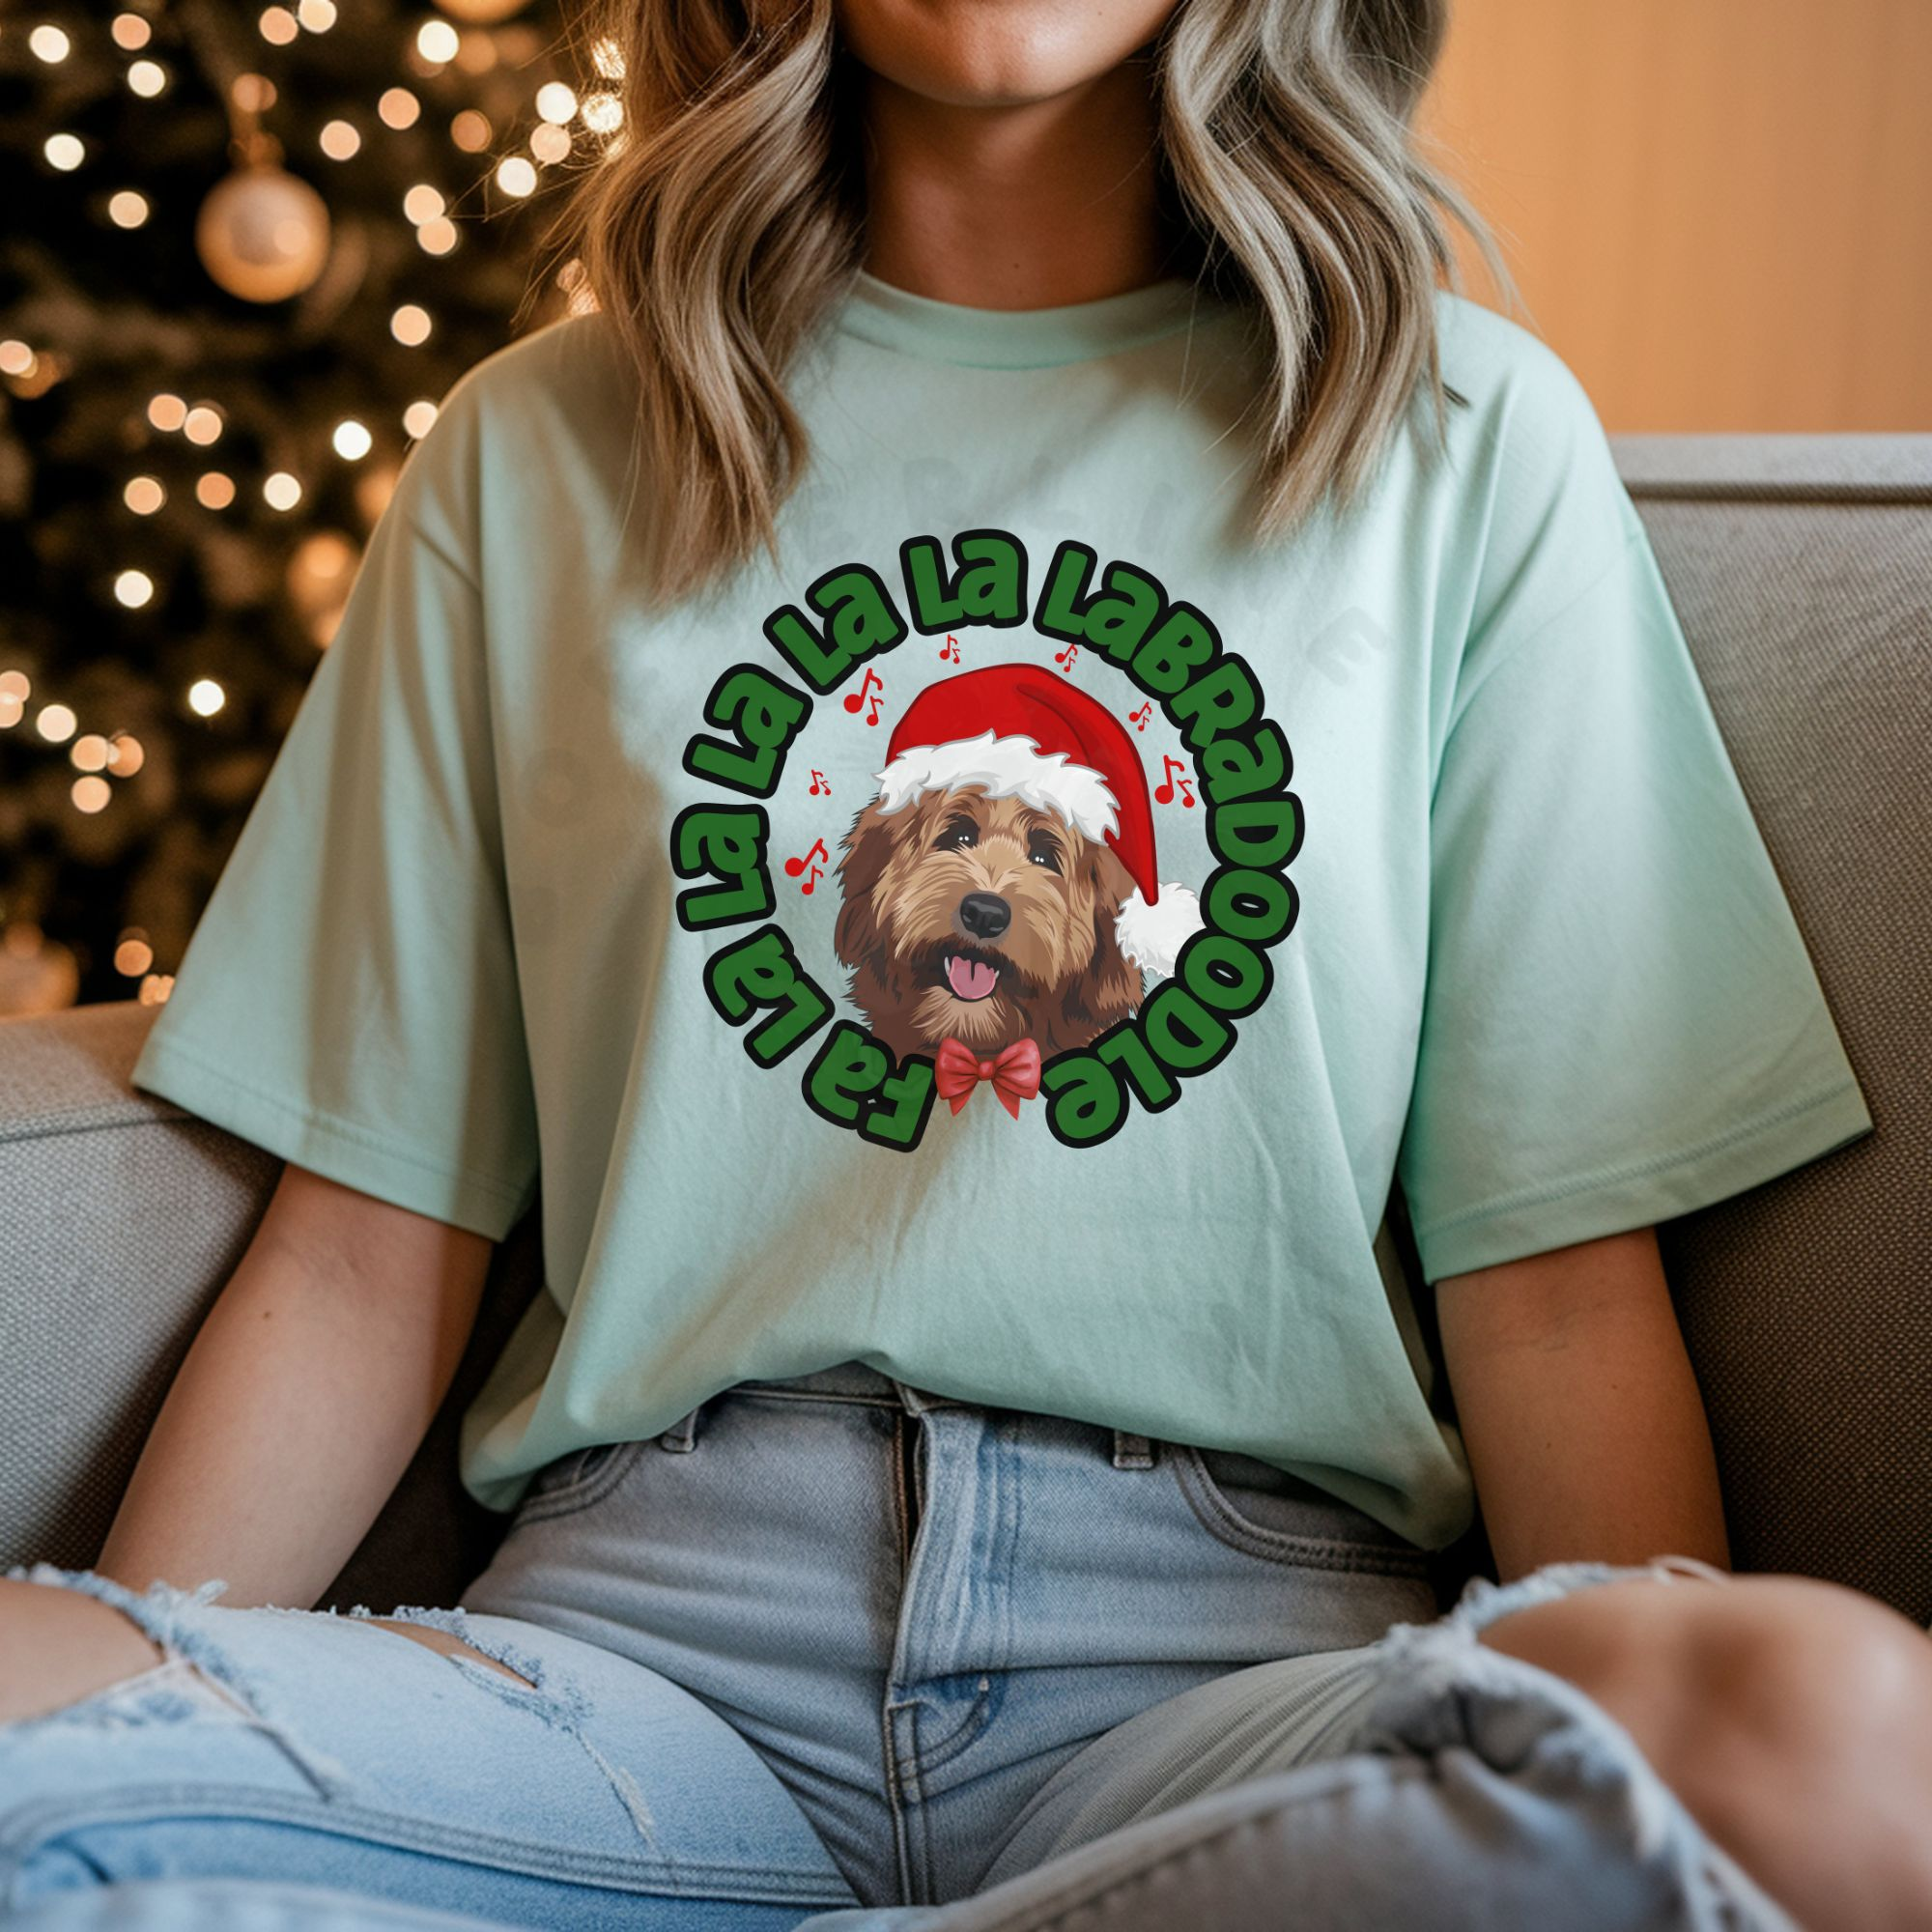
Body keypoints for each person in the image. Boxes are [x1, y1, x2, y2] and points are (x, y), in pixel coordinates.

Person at [5, 0, 1928, 1927]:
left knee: (1824, 1733)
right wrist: (145, 1706)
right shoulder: (533, 449)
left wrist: (1638, 1775)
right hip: (635, 1684)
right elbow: (360, 1260)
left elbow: (1558, 1299)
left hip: (1238, 1691)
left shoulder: (1461, 441)